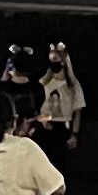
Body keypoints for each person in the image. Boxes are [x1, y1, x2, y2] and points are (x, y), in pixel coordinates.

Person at [36, 42, 86, 170]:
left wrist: (74, 134)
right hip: (45, 128)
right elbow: (37, 108)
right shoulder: (43, 82)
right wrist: (43, 120)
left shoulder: (72, 85)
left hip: (63, 128)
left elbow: (77, 111)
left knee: (61, 164)